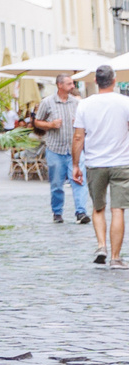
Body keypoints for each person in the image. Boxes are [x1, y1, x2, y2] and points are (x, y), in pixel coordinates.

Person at [74, 65, 129, 265]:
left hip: (95, 163)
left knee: (98, 208)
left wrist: (75, 165)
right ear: (114, 81)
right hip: (122, 162)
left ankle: (101, 246)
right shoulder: (125, 102)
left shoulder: (84, 105)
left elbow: (78, 137)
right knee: (118, 209)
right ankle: (115, 258)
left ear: (96, 82)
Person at [37, 74, 88, 225]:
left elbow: (84, 122)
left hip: (74, 150)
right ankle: (57, 212)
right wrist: (50, 125)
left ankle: (81, 212)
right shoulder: (47, 102)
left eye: (72, 84)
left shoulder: (76, 103)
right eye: (69, 84)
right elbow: (37, 122)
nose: (73, 86)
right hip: (55, 149)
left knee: (79, 181)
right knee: (56, 184)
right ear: (60, 85)